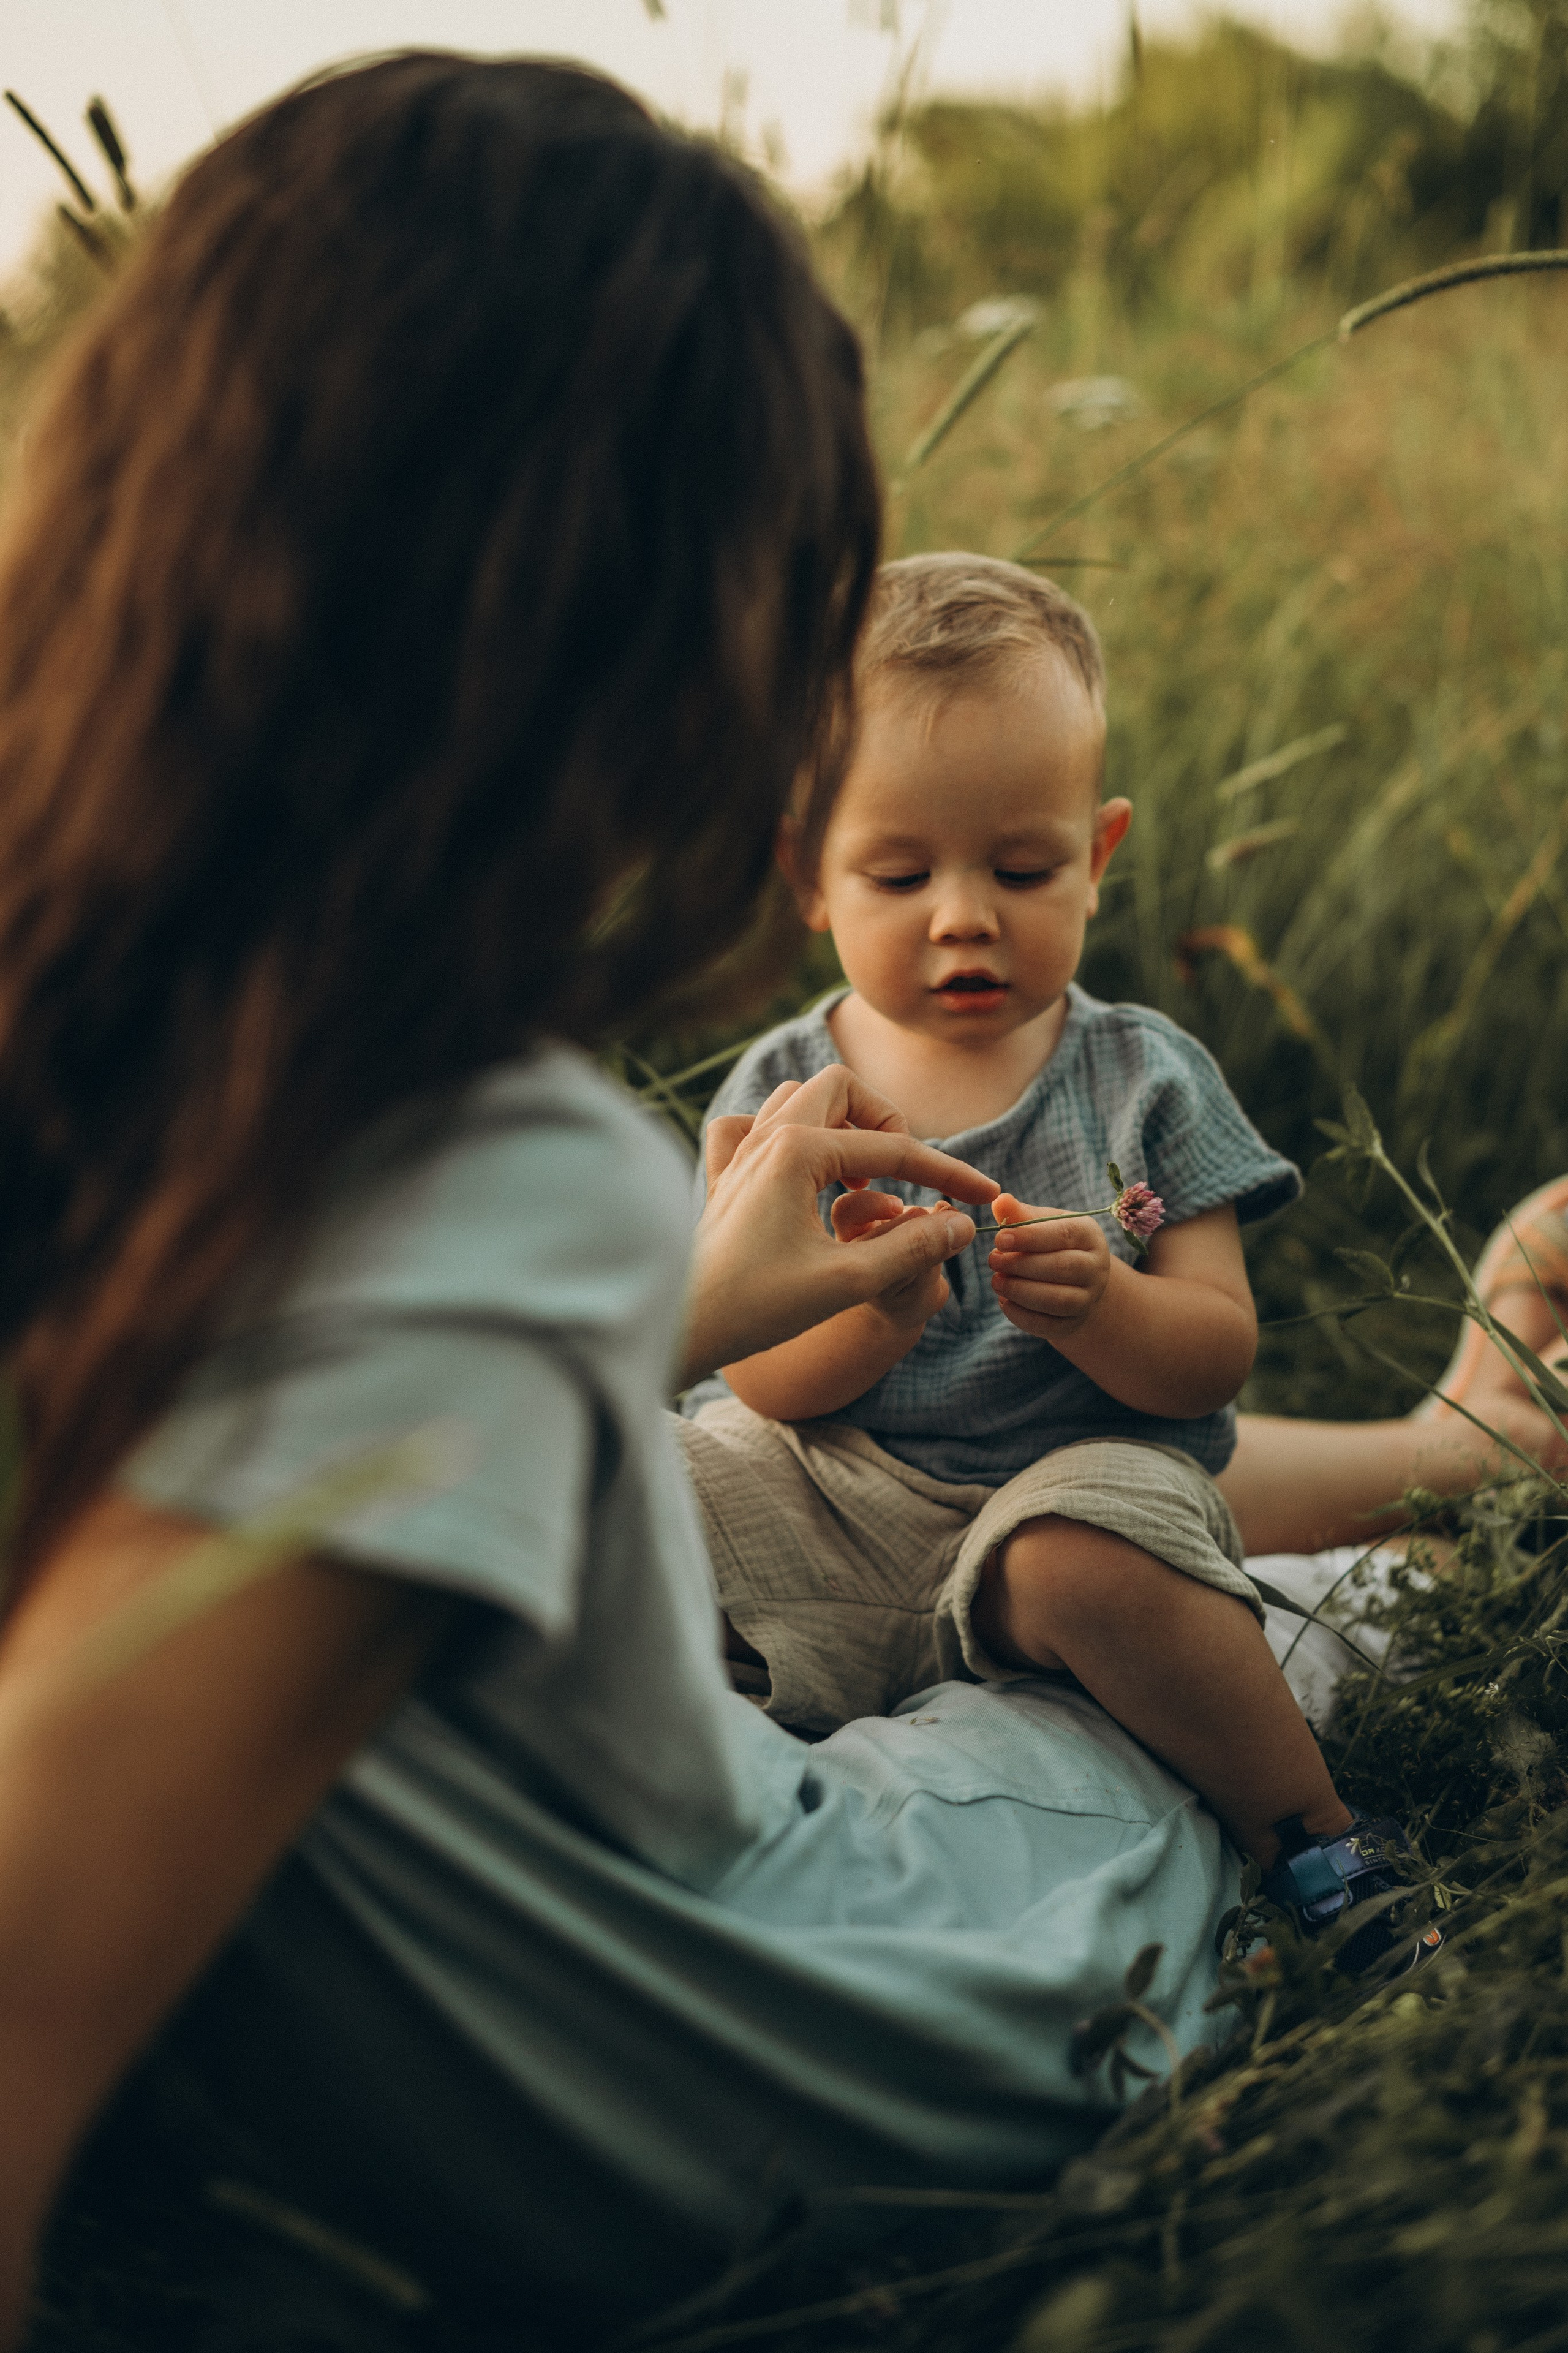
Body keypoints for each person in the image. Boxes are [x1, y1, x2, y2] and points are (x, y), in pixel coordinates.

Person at [0, 56, 1268, 2348]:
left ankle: (1462, 1450)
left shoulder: (104, 1053)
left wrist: (685, 1312)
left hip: (437, 1978)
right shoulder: (490, 1166)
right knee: (1103, 1690)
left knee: (898, 1476)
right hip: (809, 2026)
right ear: (684, 661)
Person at [677, 553, 1379, 1890]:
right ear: (808, 874)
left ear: (1096, 856)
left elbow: (1215, 1350)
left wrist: (1110, 1306)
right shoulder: (783, 1094)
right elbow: (755, 1375)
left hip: (1062, 1492)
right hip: (830, 1495)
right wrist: (875, 1321)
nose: (961, 919)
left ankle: (1316, 1848)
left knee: (1089, 1558)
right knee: (642, 1483)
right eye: (895, 875)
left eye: (1018, 866)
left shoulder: (1143, 1075)